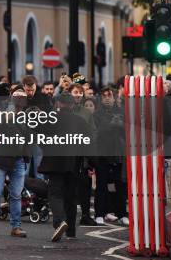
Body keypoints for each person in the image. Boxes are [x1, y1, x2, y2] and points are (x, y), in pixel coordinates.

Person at [38, 93, 93, 242]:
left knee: (55, 194)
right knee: (71, 197)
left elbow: (39, 136)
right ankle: (71, 232)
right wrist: (88, 163)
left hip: (54, 162)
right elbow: (88, 142)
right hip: (73, 163)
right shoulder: (80, 121)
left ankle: (59, 222)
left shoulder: (50, 119)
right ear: (72, 105)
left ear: (59, 104)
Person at [0, 87, 30, 238]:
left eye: (22, 98)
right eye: (17, 98)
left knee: (16, 194)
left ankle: (16, 227)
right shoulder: (3, 114)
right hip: (1, 158)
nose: (19, 102)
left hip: (18, 159)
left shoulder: (27, 117)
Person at [93, 87, 128, 226]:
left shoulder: (121, 113)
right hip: (102, 154)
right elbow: (96, 134)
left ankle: (121, 214)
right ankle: (99, 214)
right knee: (101, 186)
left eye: (109, 95)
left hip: (118, 154)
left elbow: (127, 132)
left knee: (120, 186)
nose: (107, 98)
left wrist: (120, 125)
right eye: (104, 96)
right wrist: (109, 125)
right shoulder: (96, 114)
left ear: (114, 98)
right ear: (101, 99)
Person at [69, 82, 97, 226]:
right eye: (75, 92)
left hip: (83, 154)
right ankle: (68, 217)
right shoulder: (65, 109)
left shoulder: (86, 112)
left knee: (85, 186)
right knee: (69, 187)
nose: (78, 95)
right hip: (67, 154)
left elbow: (92, 132)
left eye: (80, 93)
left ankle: (85, 215)